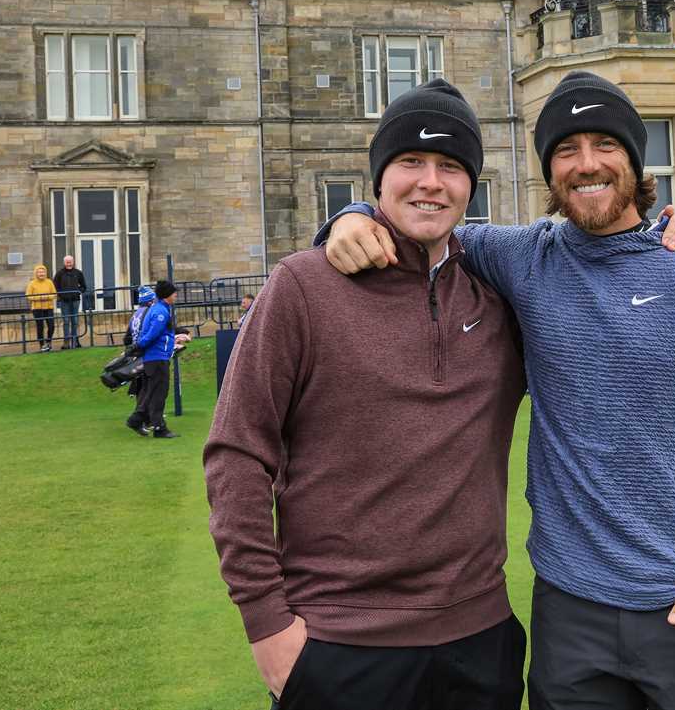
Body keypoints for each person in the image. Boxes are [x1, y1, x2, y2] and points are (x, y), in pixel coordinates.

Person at [320, 70, 675, 710]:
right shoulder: (524, 257)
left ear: (635, 160)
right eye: (565, 150)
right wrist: (351, 215)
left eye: (605, 145)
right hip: (568, 609)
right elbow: (424, 219)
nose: (586, 165)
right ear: (548, 172)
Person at [205, 80, 532, 710]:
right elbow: (237, 454)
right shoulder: (302, 285)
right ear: (379, 178)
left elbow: (588, 251)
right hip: (338, 644)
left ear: (473, 185)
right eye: (410, 162)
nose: (430, 182)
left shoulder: (497, 297)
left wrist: (670, 233)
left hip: (480, 637)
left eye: (451, 167)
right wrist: (267, 625)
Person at [133, 280, 186, 439]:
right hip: (157, 358)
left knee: (152, 393)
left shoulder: (159, 309)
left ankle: (142, 421)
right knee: (158, 393)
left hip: (155, 357)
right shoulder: (161, 312)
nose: (176, 295)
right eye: (173, 292)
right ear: (167, 295)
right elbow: (153, 334)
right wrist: (139, 345)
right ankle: (154, 426)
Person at [123, 285, 156, 436]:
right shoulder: (149, 313)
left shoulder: (135, 315)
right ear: (150, 301)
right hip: (147, 354)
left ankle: (146, 419)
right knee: (146, 389)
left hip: (137, 355)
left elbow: (126, 338)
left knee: (142, 388)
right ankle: (139, 421)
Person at [52, 255, 87, 349]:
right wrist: (61, 294)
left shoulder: (78, 273)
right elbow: (55, 286)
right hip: (64, 301)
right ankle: (66, 342)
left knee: (75, 321)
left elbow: (84, 286)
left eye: (70, 261)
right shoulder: (60, 273)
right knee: (66, 321)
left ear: (73, 262)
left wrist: (78, 291)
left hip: (75, 301)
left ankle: (75, 341)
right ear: (64, 263)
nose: (69, 263)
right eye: (67, 262)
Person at [24, 264, 57, 352]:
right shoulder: (32, 283)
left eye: (43, 272)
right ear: (36, 273)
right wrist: (39, 298)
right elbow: (28, 295)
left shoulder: (49, 282)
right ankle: (42, 345)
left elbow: (54, 294)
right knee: (40, 326)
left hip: (49, 307)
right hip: (37, 308)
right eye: (39, 272)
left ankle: (49, 341)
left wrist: (47, 297)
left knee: (51, 325)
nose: (41, 273)